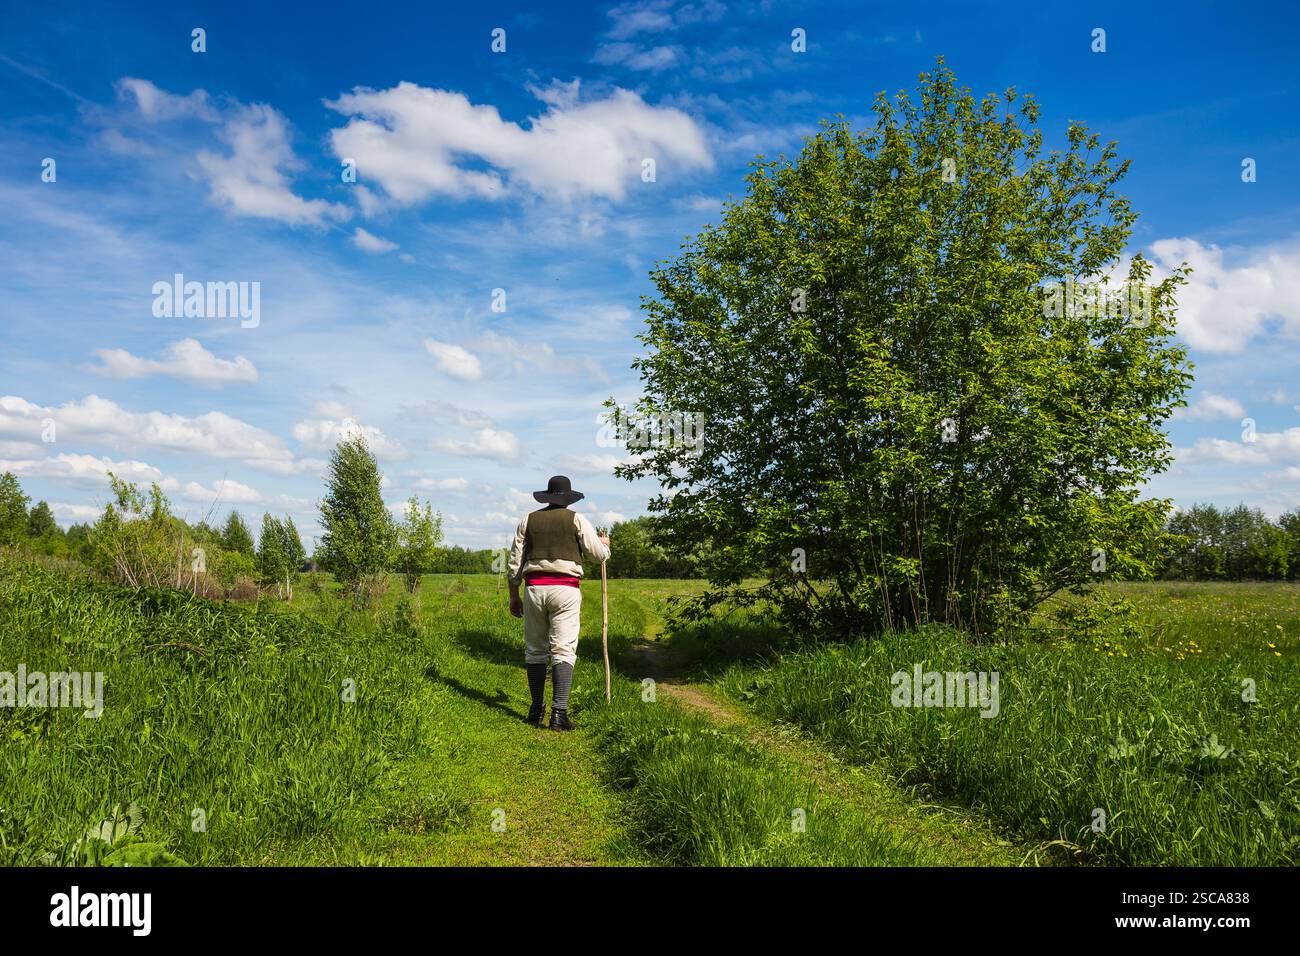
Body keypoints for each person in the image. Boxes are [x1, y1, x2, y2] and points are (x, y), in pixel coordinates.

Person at [506, 476, 611, 730]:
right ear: (567, 498)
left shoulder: (527, 520)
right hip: (565, 589)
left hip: (534, 589)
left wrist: (513, 594)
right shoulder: (576, 519)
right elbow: (598, 556)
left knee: (535, 649)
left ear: (547, 496)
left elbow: (514, 564)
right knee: (563, 649)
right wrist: (605, 546)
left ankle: (535, 709)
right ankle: (558, 714)